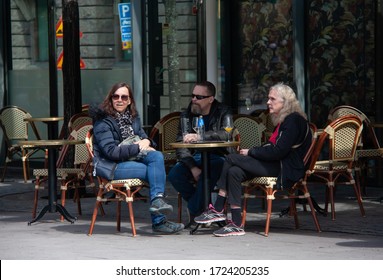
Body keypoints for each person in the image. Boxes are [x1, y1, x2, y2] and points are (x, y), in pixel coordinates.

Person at [194, 83, 312, 237]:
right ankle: (236, 224)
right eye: (268, 98)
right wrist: (253, 153)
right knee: (235, 171)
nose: (268, 102)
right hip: (277, 164)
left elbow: (278, 151)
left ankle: (218, 208)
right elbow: (273, 147)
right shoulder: (285, 120)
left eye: (272, 99)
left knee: (230, 158)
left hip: (285, 169)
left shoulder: (293, 121)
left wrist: (251, 151)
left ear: (286, 102)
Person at [90, 82, 184, 234]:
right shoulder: (103, 121)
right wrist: (140, 146)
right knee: (153, 170)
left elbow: (144, 139)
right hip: (112, 166)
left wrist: (148, 142)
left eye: (124, 97)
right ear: (111, 98)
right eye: (116, 96)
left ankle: (157, 201)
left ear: (129, 101)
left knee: (156, 156)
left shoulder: (133, 118)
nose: (119, 100)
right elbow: (111, 152)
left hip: (131, 160)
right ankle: (158, 220)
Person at [168, 81, 233, 226]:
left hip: (218, 155)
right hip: (195, 157)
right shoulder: (187, 114)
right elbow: (181, 144)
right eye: (193, 95)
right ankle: (204, 210)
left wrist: (200, 137)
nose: (194, 99)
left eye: (198, 97)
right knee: (174, 175)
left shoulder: (223, 110)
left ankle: (194, 209)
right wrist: (192, 167)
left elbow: (226, 134)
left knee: (213, 169)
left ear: (210, 99)